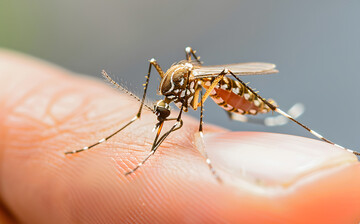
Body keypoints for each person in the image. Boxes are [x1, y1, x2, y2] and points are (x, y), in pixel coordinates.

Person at [0, 49, 359, 224]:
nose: (162, 116)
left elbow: (201, 86)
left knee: (216, 81)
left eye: (157, 113)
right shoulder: (167, 92)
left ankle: (292, 123)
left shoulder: (182, 92)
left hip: (224, 85)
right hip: (196, 85)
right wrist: (139, 116)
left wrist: (200, 134)